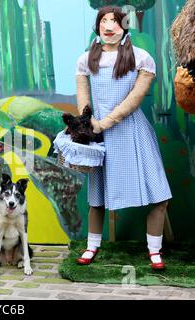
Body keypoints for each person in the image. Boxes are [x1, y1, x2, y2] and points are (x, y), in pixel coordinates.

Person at [75, 6, 172, 270]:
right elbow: (83, 97)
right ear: (97, 27)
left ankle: (154, 251)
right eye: (104, 21)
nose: (109, 26)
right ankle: (92, 246)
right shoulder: (85, 60)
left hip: (133, 132)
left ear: (124, 26)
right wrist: (88, 122)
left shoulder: (141, 57)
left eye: (115, 21)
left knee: (160, 195)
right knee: (97, 198)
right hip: (98, 135)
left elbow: (135, 98)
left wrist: (105, 122)